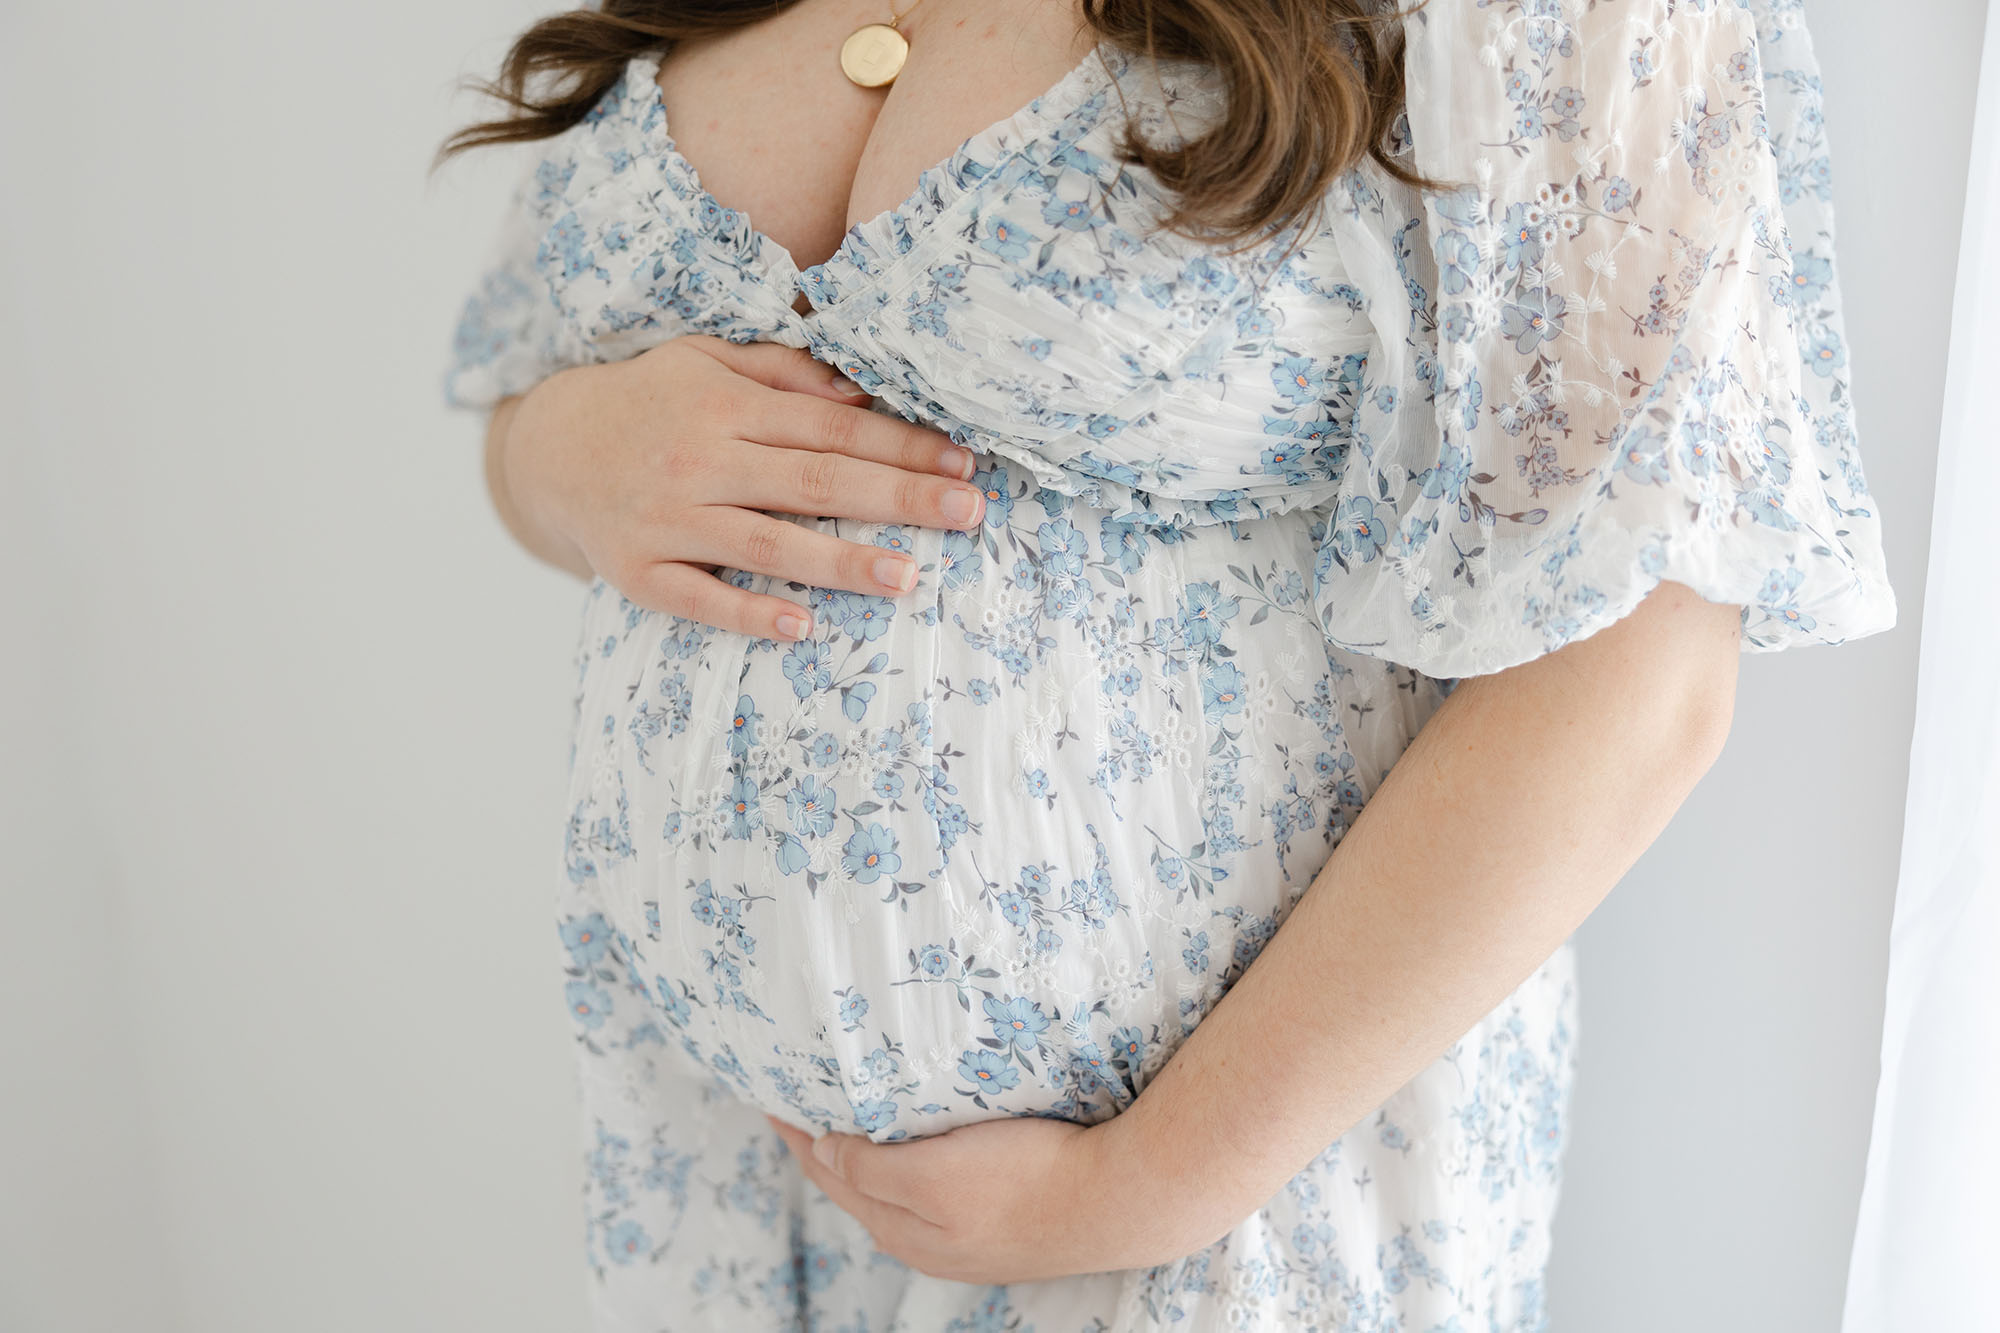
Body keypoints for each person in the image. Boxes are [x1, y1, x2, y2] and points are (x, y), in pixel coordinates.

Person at [440, 1, 1896, 1327]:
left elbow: (1639, 669)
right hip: (738, 1195)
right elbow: (529, 379)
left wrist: (1136, 1187)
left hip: (1223, 1206)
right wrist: (564, 456)